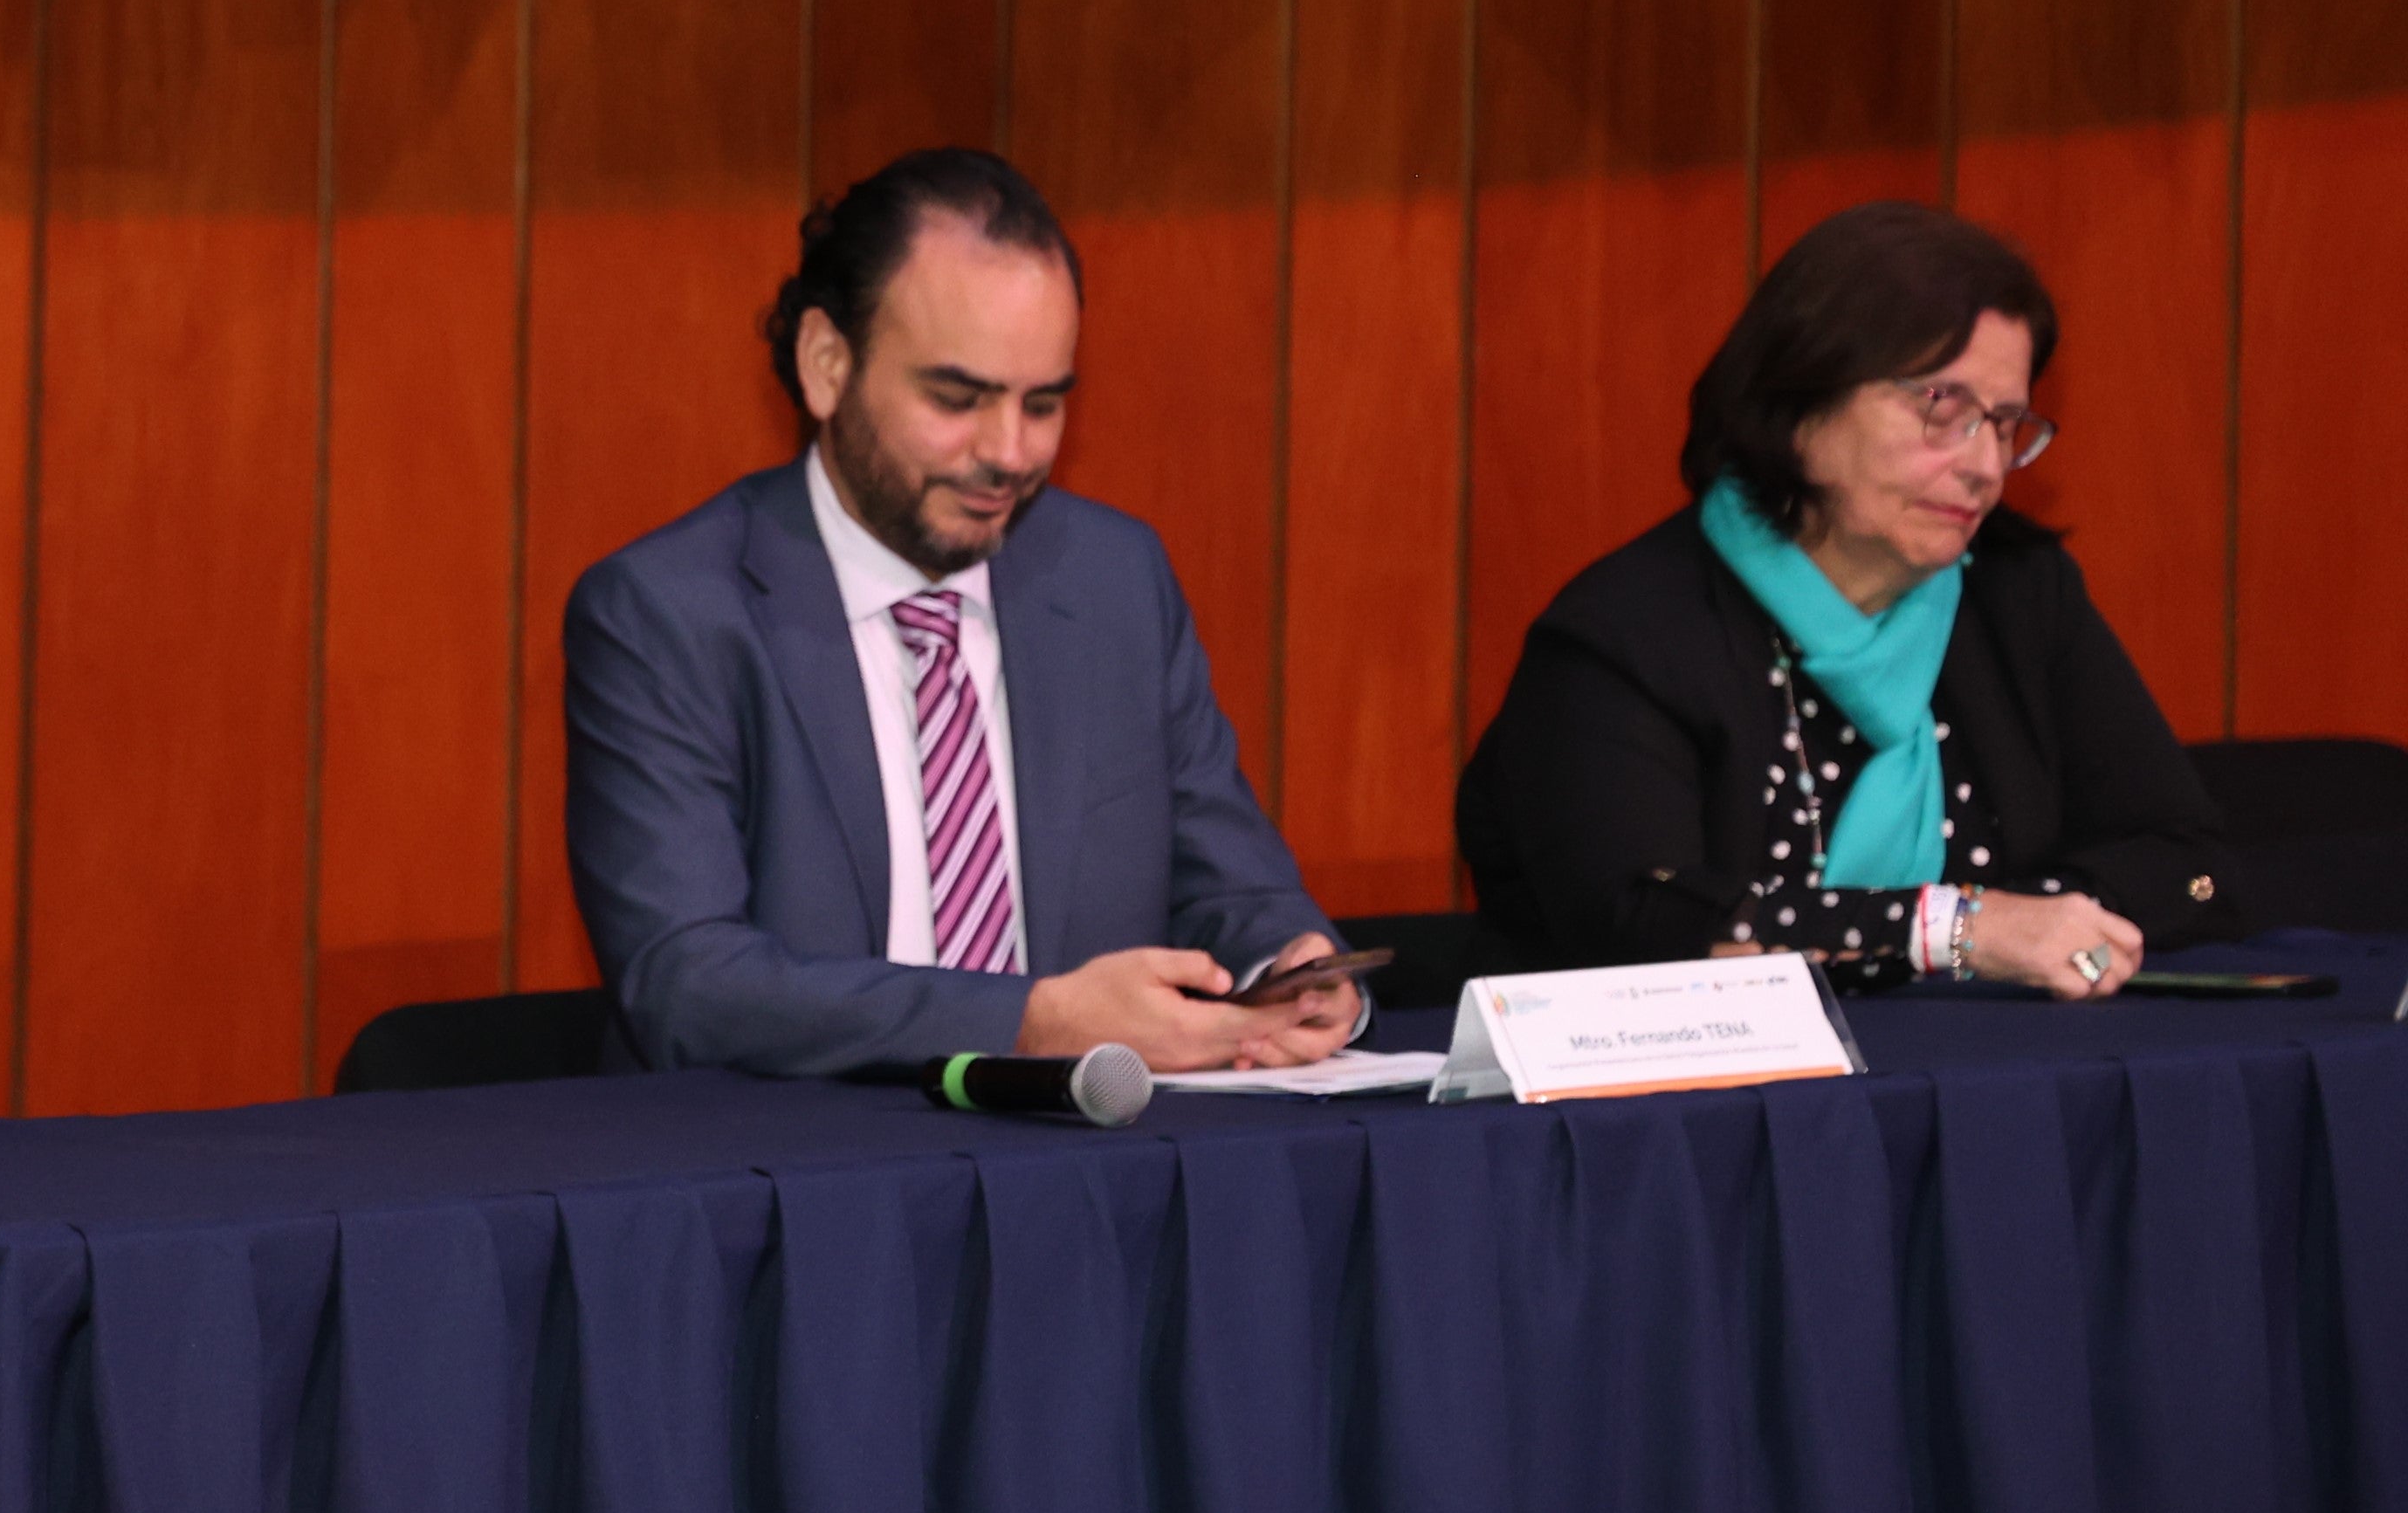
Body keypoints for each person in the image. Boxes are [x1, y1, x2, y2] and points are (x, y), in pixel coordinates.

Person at [565, 150, 1366, 1080]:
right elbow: (686, 984)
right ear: (827, 365)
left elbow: (1231, 885)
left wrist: (1288, 973)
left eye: (1044, 404)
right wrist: (1026, 1024)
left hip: (1087, 1166)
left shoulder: (1114, 580)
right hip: (792, 1178)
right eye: (956, 398)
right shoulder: (668, 612)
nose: (1009, 453)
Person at [1458, 201, 2236, 993]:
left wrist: (2052, 935)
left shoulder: (2018, 596)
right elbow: (1637, 920)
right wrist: (1956, 931)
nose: (1986, 468)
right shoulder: (1626, 632)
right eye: (1945, 409)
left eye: (2004, 424)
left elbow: (2185, 863)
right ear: (1800, 406)